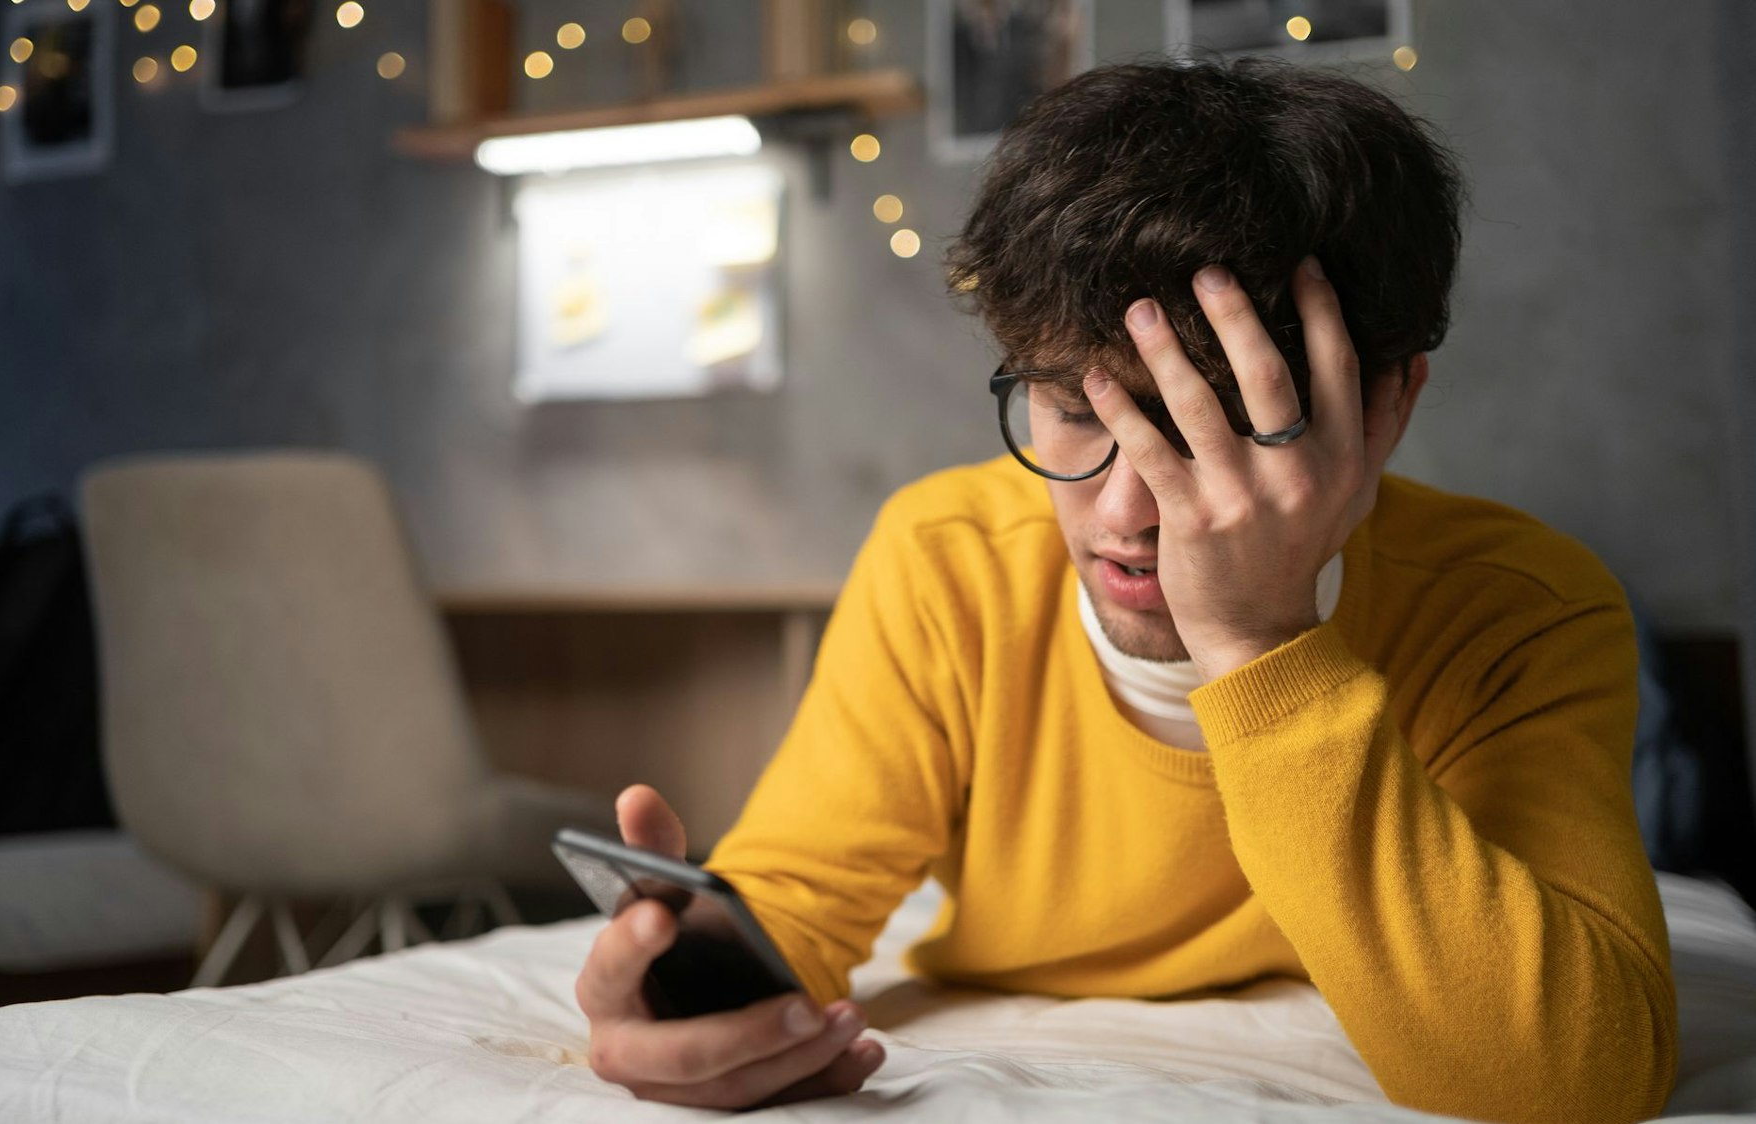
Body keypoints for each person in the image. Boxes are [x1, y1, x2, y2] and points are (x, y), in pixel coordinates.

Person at [573, 58, 1677, 1121]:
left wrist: (1257, 638)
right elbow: (803, 892)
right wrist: (688, 976)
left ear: (1383, 404)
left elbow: (1576, 1077)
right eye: (1077, 413)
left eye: (1223, 429)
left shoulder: (1523, 604)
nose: (1123, 515)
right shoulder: (946, 557)